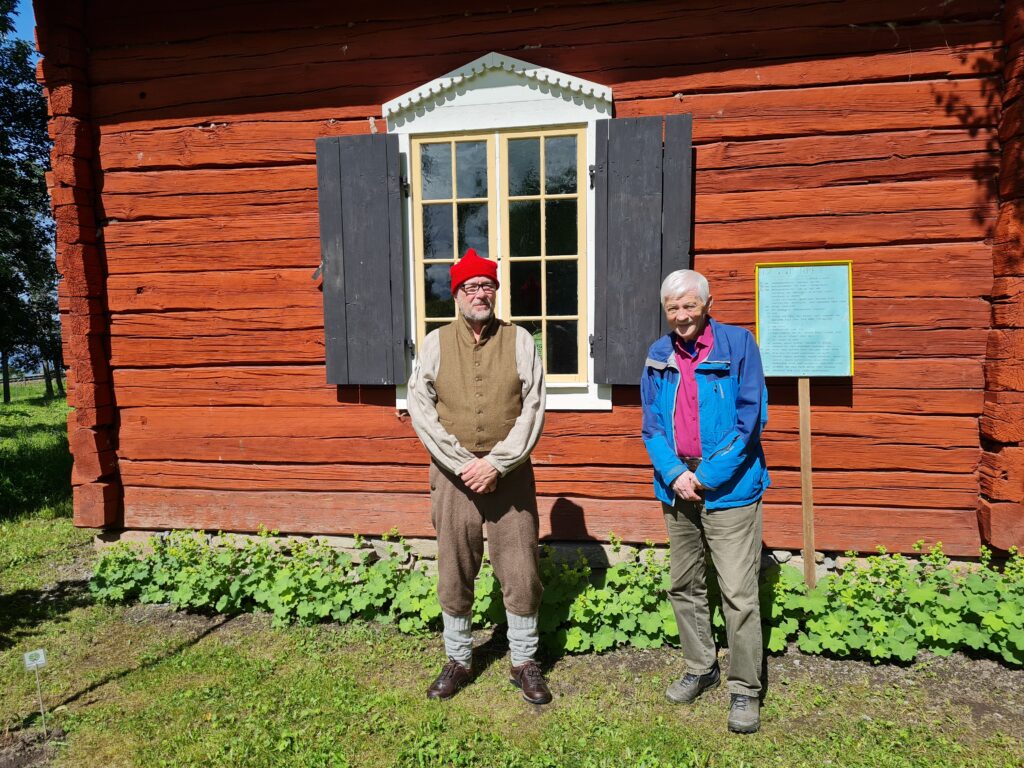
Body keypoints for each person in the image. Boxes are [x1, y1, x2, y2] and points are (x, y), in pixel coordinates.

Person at [407, 248, 550, 705]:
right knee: (454, 565)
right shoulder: (434, 342)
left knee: (521, 568)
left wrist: (498, 463)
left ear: (495, 291)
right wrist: (460, 461)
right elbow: (420, 407)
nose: (479, 293)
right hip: (452, 477)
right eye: (470, 287)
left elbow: (534, 407)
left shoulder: (521, 340)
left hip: (510, 475)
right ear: (456, 294)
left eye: (486, 285)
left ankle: (524, 661)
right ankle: (458, 659)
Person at [640, 269, 770, 734]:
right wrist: (676, 474)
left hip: (730, 488)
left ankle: (744, 689)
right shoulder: (659, 355)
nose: (681, 315)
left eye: (689, 305)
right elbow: (652, 427)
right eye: (673, 307)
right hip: (677, 488)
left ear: (707, 303)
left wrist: (706, 476)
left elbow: (749, 421)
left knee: (737, 592)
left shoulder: (738, 346)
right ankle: (700, 667)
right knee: (684, 584)